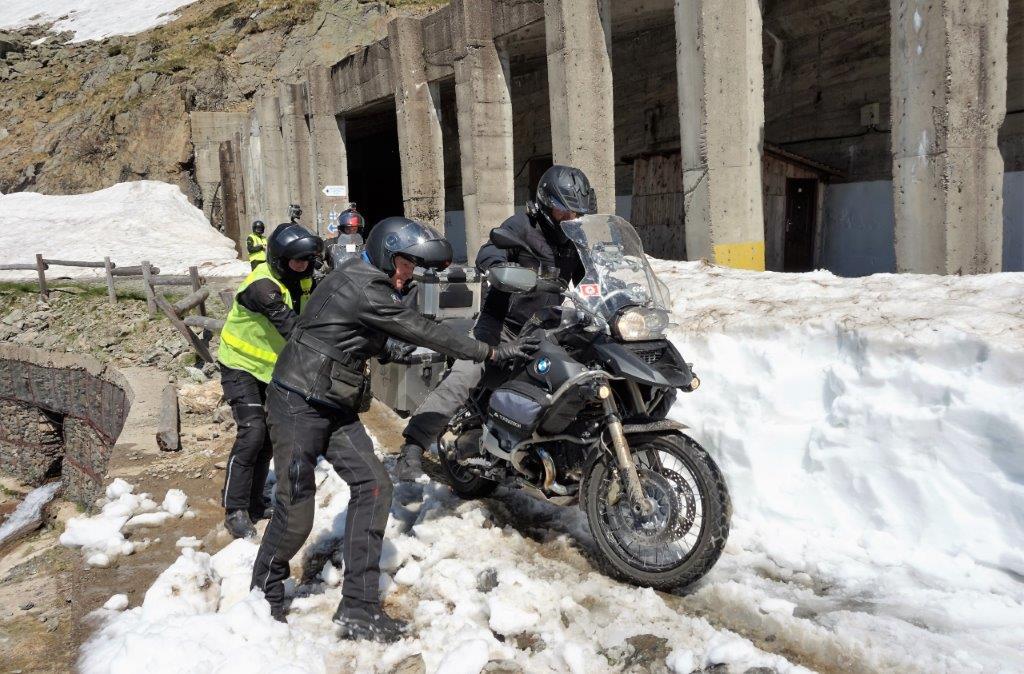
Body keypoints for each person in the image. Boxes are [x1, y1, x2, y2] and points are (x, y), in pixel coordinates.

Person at [250, 216, 540, 638]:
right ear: (389, 255)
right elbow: (421, 327)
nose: (413, 275)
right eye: (408, 265)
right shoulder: (365, 284)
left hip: (334, 403)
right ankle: (263, 597)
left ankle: (358, 608)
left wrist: (410, 353)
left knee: (374, 487)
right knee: (296, 506)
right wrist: (491, 351)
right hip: (298, 402)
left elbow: (374, 337)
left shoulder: (367, 283)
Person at [397, 165, 596, 481]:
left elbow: (591, 275)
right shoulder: (520, 226)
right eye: (564, 211)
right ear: (546, 204)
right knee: (467, 372)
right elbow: (488, 254)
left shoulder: (573, 238)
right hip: (501, 324)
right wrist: (501, 268)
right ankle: (412, 447)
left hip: (545, 327)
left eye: (576, 213)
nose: (570, 218)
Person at [217, 223, 322, 539]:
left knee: (267, 438)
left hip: (270, 369)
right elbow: (292, 328)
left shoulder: (303, 279)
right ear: (280, 259)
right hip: (240, 364)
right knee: (252, 432)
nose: (302, 266)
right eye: (296, 261)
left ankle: (254, 502)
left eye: (307, 260)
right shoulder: (263, 287)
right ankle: (234, 509)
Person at [325, 204, 366, 269]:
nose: (351, 232)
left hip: (361, 278)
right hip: (337, 277)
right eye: (348, 229)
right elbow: (317, 255)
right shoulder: (330, 244)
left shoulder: (366, 245)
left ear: (358, 229)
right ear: (342, 229)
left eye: (354, 229)